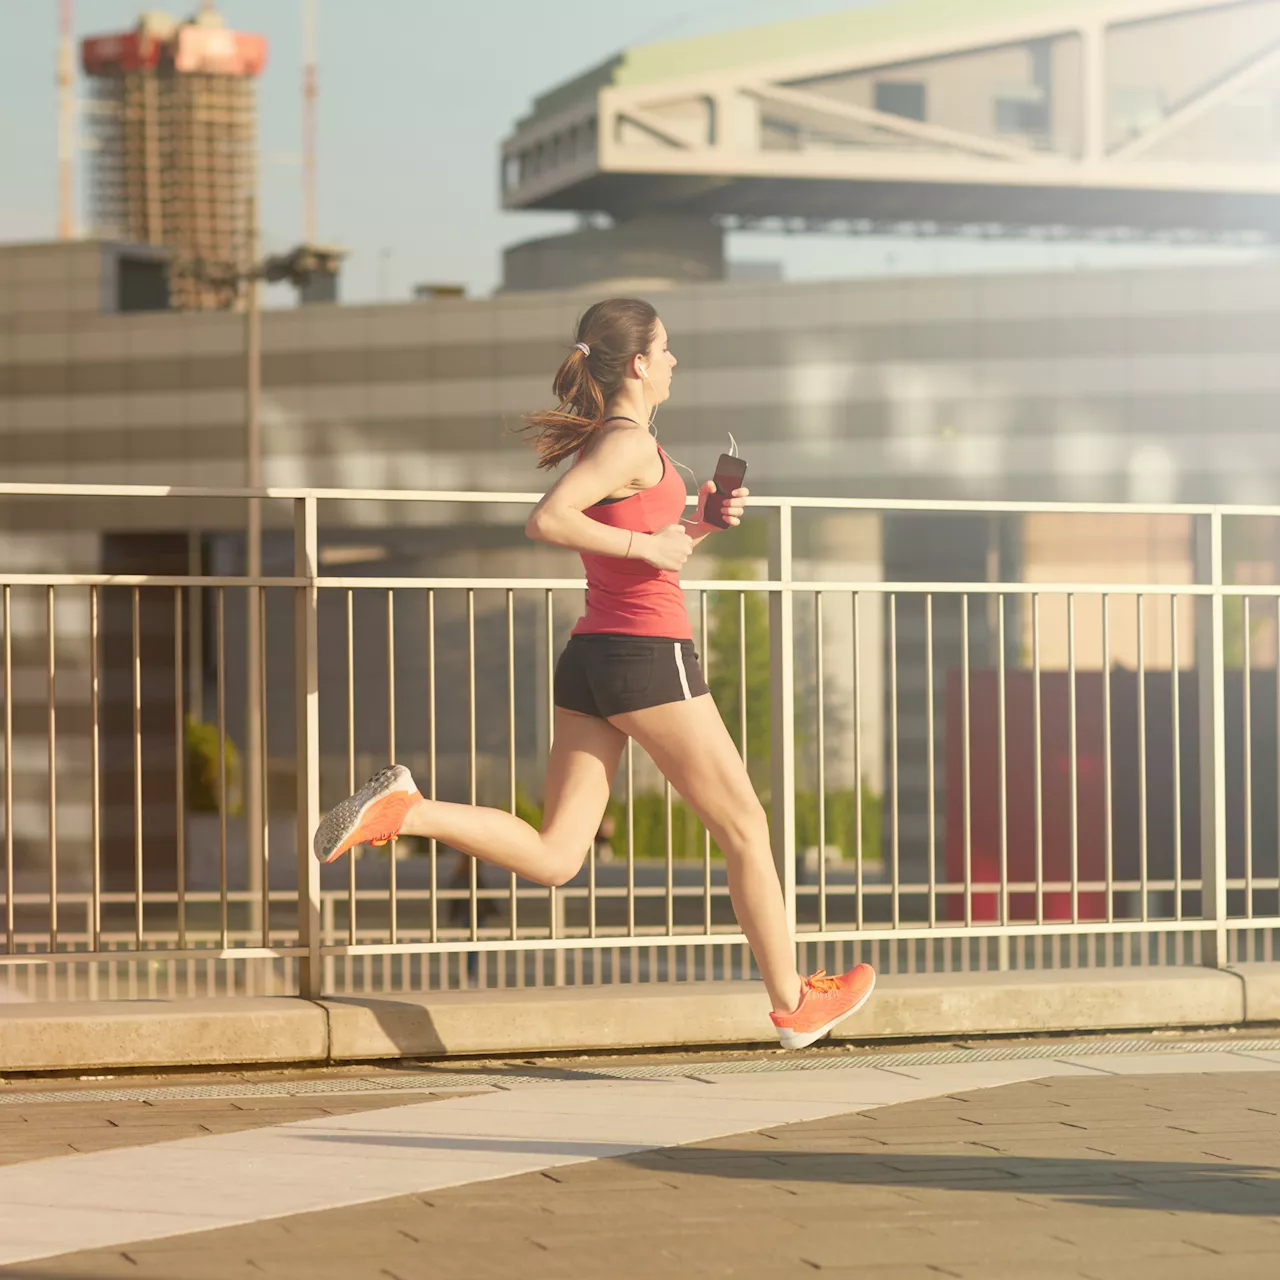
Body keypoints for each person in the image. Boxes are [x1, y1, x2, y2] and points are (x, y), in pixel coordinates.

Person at [313, 298, 875, 1049]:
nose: (676, 361)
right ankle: (794, 1002)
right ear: (638, 363)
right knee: (747, 827)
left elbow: (637, 540)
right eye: (667, 349)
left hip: (594, 658)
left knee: (556, 856)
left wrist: (698, 523)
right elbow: (546, 521)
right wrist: (649, 552)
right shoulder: (625, 443)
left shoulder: (627, 445)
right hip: (648, 656)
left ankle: (407, 812)